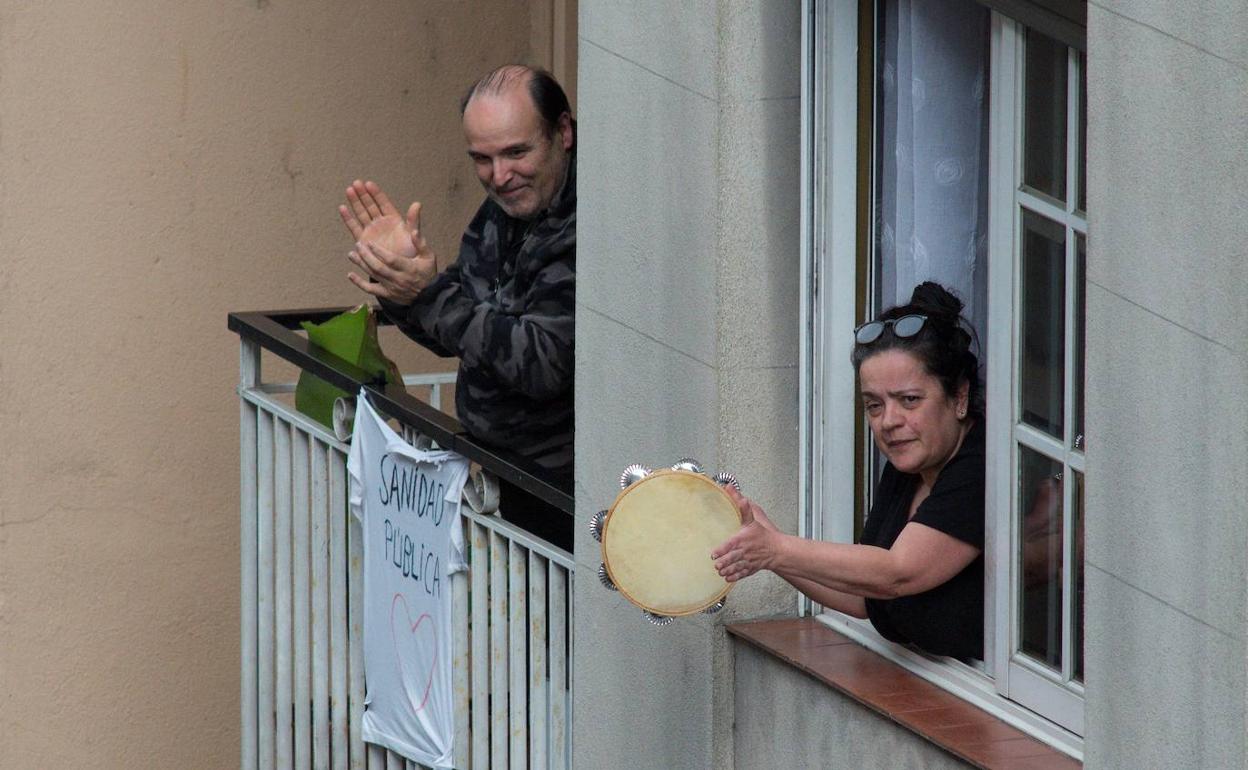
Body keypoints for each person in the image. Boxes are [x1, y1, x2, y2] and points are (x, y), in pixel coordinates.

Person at [338, 64, 575, 550]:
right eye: (482, 159)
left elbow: (543, 364)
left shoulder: (593, 221)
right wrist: (402, 282)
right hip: (494, 480)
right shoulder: (507, 208)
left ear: (563, 132)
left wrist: (429, 295)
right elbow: (460, 326)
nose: (500, 176)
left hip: (562, 500)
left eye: (516, 152)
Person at [712, 282, 984, 659]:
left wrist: (774, 549)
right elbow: (865, 597)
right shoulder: (911, 464)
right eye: (874, 405)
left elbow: (896, 573)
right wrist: (764, 536)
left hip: (989, 704)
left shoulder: (980, 471)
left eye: (909, 400)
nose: (889, 421)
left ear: (959, 398)